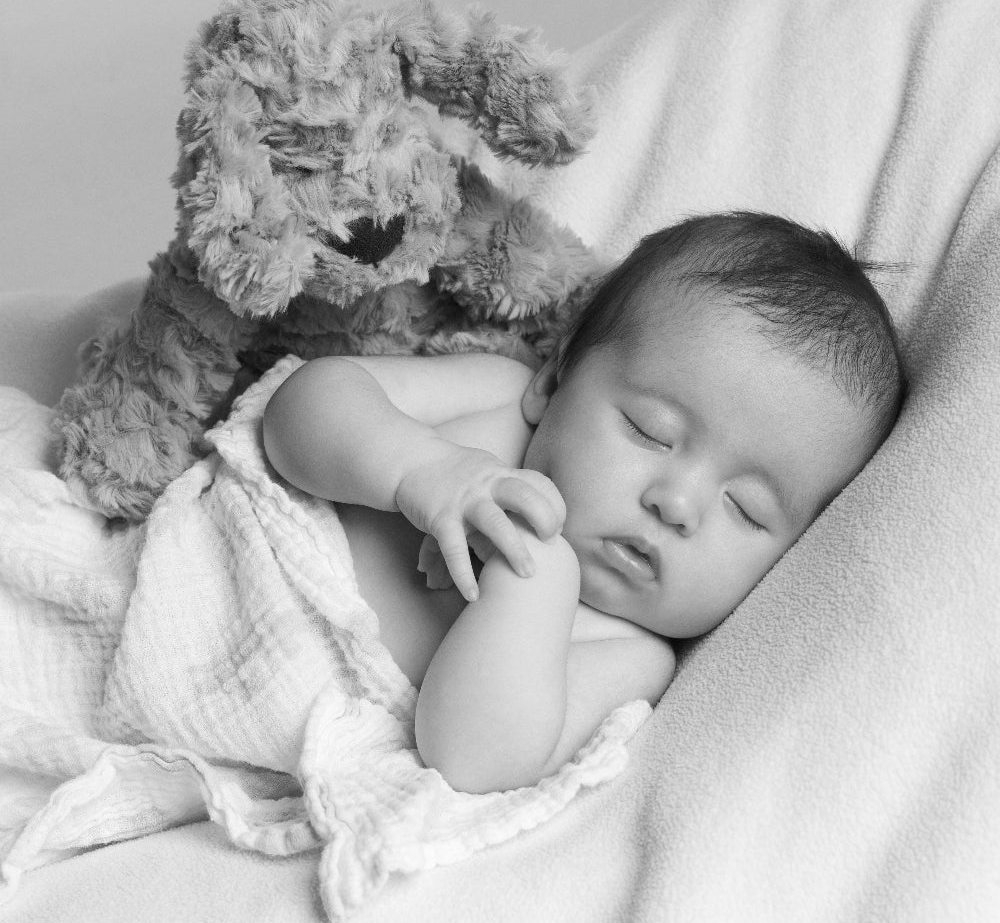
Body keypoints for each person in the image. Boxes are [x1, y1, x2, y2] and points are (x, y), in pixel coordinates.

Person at [262, 211, 905, 794]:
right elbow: (296, 412)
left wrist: (538, 579)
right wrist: (419, 468)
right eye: (651, 432)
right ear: (555, 380)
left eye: (749, 509)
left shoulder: (631, 656)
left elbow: (471, 760)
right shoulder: (497, 399)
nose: (677, 503)